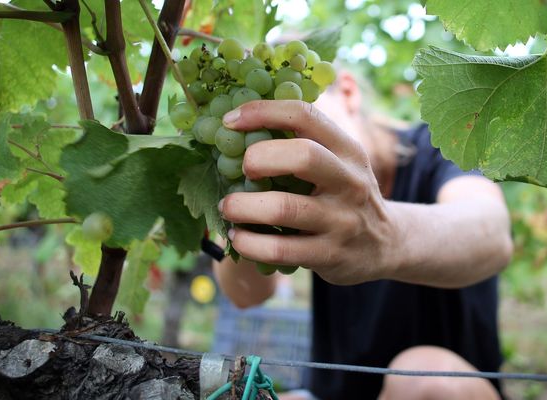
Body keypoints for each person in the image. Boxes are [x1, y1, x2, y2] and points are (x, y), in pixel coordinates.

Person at [213, 70, 513, 400]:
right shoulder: (308, 197)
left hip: (445, 390)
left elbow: (491, 232)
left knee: (424, 378)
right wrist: (243, 201)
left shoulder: (439, 148)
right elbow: (246, 293)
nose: (283, 142)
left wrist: (383, 234)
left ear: (348, 91)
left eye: (290, 115)